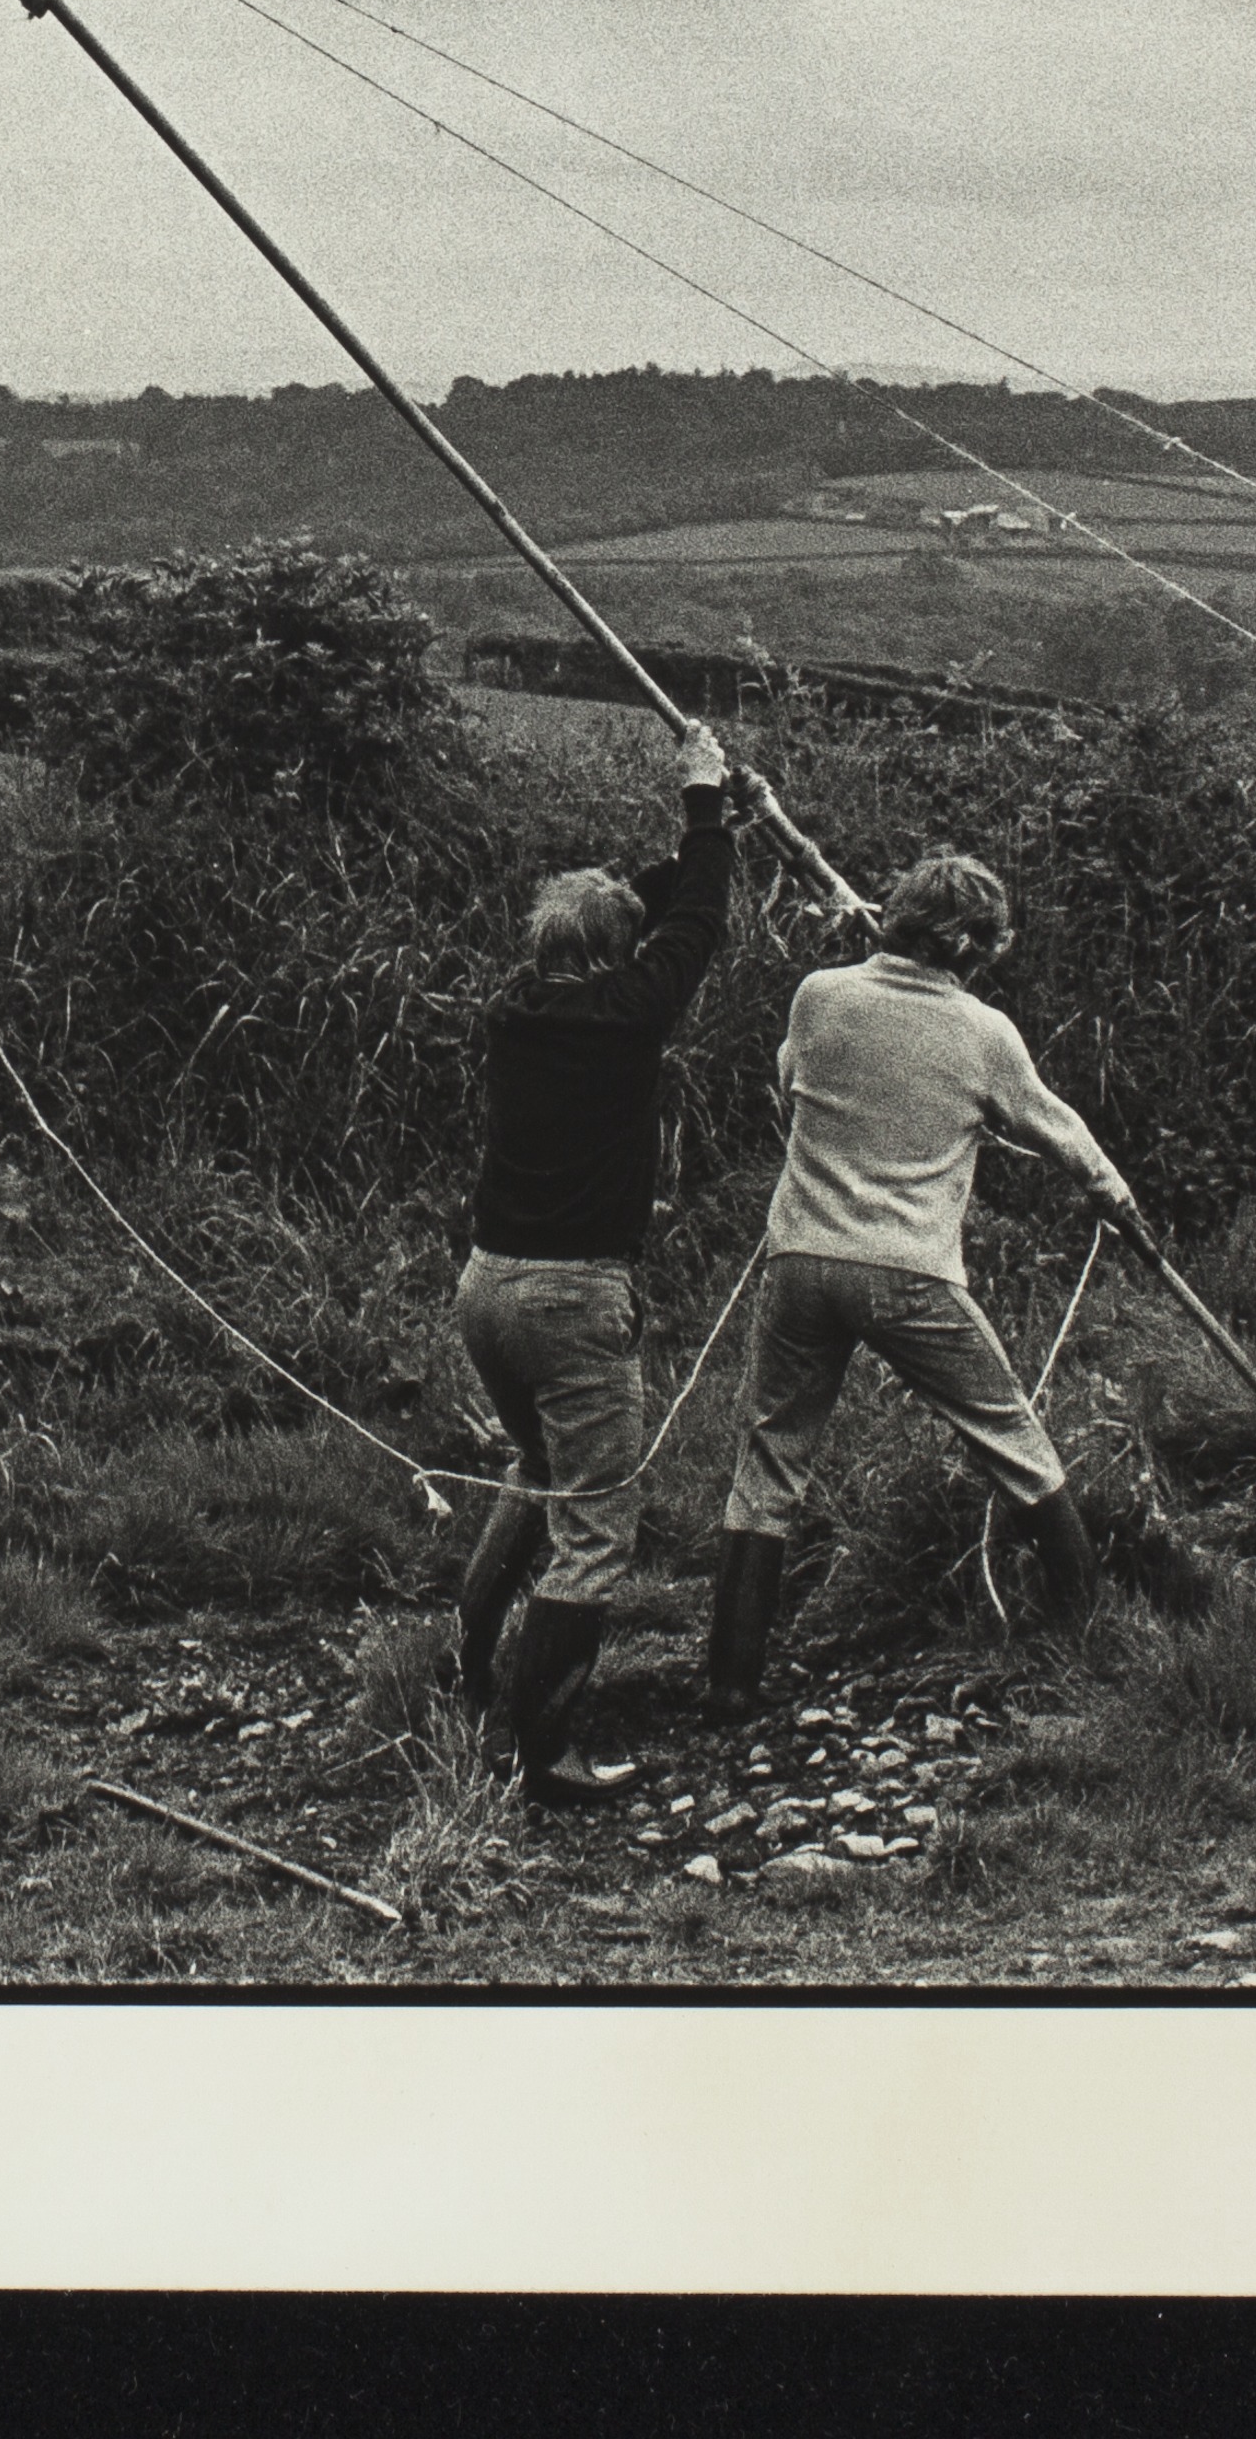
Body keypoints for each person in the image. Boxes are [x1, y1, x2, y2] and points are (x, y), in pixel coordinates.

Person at [703, 847, 1148, 1702]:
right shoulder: (984, 1033)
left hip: (799, 1262)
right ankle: (1091, 1640)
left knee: (767, 1469)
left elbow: (789, 1080)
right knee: (1013, 1439)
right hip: (909, 1273)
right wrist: (1116, 1198)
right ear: (975, 947)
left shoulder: (819, 995)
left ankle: (729, 1681)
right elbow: (1055, 1126)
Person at [448, 718, 742, 1799]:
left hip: (488, 1287)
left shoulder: (516, 1009)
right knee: (596, 1524)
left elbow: (667, 915)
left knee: (535, 1474)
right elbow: (695, 925)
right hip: (574, 1299)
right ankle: (548, 1754)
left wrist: (714, 829)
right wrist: (703, 805)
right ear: (618, 954)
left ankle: (472, 1672)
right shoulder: (626, 1016)